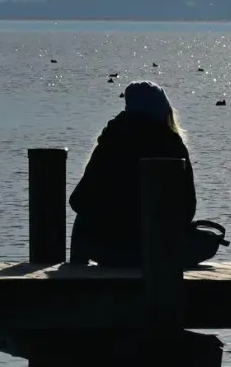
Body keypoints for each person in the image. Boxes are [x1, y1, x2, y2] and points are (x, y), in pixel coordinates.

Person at [69, 81, 197, 266]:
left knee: (82, 219)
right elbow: (188, 208)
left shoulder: (111, 142)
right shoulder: (173, 145)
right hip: (159, 250)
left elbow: (79, 201)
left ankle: (74, 275)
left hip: (109, 249)